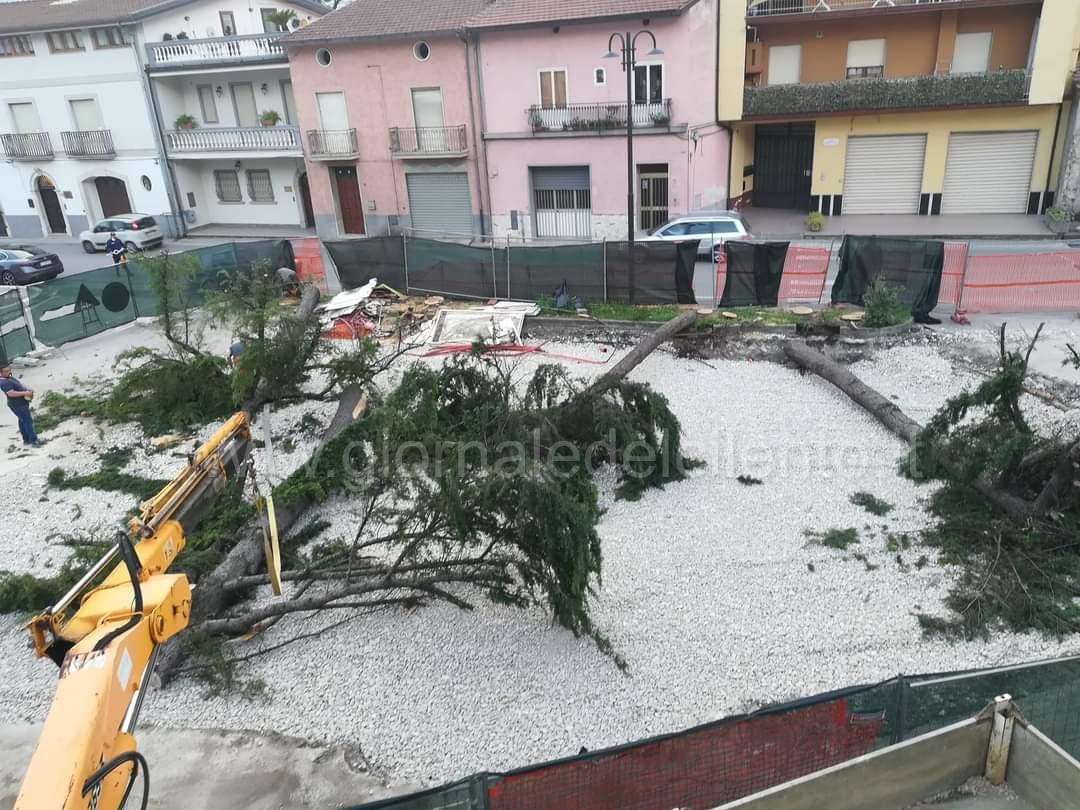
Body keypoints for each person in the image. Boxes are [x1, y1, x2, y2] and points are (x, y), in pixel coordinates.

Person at [1, 363, 44, 447]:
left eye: (9, 370)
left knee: (22, 421)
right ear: (1, 373)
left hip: (20, 402)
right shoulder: (4, 382)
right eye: (6, 371)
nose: (9, 372)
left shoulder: (9, 377)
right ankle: (34, 440)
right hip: (17, 404)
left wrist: (27, 389)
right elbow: (11, 393)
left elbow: (19, 385)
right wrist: (25, 392)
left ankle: (27, 440)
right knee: (28, 421)